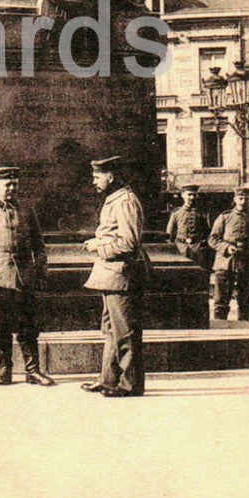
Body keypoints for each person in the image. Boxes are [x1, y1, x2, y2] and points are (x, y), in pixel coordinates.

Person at [0, 166, 55, 386]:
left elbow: (39, 245)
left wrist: (41, 272)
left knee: (28, 324)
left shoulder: (26, 210)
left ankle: (32, 371)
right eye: (7, 184)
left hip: (24, 276)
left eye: (15, 184)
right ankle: (5, 369)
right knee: (0, 324)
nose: (12, 188)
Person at [81, 155, 146, 397]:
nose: (93, 181)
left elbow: (129, 243)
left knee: (125, 332)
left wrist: (99, 246)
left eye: (97, 177)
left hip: (122, 275)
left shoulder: (125, 201)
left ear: (111, 177)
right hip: (111, 275)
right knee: (110, 329)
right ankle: (108, 379)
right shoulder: (114, 199)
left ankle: (130, 384)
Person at [209, 185, 249, 321]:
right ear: (235, 199)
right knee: (221, 301)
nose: (243, 202)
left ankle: (243, 329)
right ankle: (219, 330)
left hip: (246, 264)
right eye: (240, 198)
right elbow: (213, 239)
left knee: (245, 302)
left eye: (247, 199)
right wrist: (227, 247)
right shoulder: (224, 217)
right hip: (225, 263)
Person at [166, 183, 211, 270]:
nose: (192, 198)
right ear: (183, 195)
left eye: (194, 195)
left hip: (198, 249)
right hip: (181, 249)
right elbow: (169, 233)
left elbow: (209, 232)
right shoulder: (176, 213)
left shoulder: (203, 213)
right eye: (189, 194)